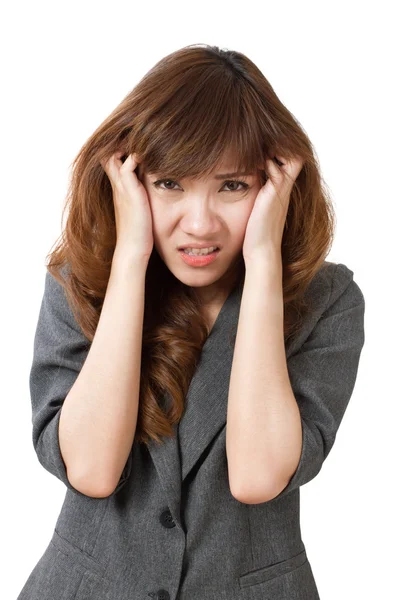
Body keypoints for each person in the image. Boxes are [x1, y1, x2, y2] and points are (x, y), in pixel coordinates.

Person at [17, 43, 365, 600]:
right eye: (170, 184)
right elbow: (90, 469)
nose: (199, 224)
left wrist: (264, 265)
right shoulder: (78, 280)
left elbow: (256, 477)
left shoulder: (327, 301)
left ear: (273, 185)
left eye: (232, 186)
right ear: (131, 180)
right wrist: (130, 257)